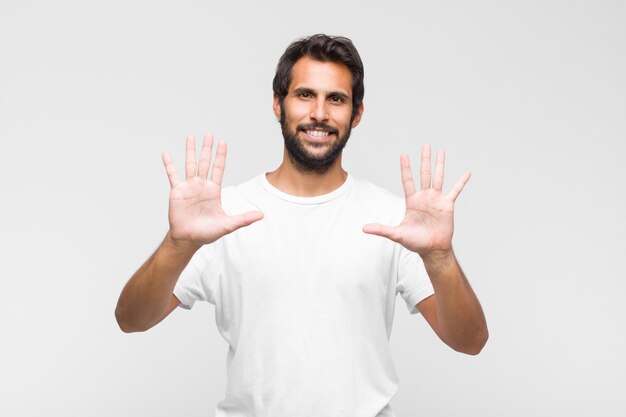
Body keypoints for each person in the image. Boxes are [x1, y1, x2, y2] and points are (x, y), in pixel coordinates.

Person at [115, 34, 488, 417]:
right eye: (305, 95)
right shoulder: (223, 217)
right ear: (278, 103)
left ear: (356, 114)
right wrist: (178, 244)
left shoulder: (393, 220)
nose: (320, 114)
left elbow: (470, 341)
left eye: (336, 99)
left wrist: (441, 258)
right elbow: (131, 319)